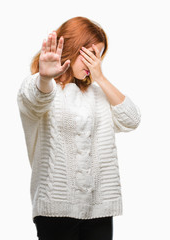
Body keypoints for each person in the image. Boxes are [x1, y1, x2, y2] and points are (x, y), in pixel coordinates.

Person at [16, 16, 141, 240]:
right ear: (73, 48)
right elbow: (34, 101)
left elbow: (132, 119)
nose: (95, 62)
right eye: (91, 54)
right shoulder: (40, 86)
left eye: (99, 56)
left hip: (99, 210)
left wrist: (100, 77)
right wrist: (45, 78)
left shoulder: (97, 93)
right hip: (56, 210)